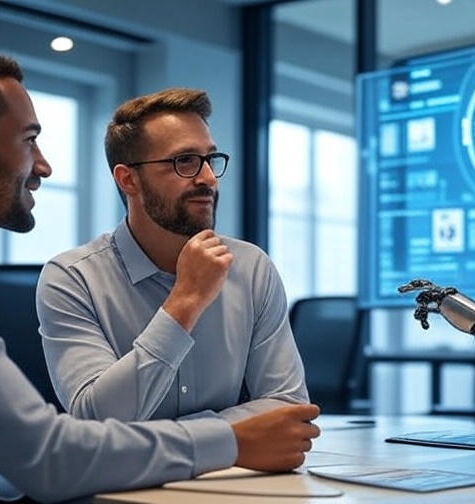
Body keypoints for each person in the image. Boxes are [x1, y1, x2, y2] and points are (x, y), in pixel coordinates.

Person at [0, 43, 320, 504]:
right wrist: (233, 439)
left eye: (210, 159)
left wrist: (162, 435)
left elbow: (21, 455)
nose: (43, 165)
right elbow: (48, 455)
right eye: (28, 140)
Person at [36, 88, 309, 426]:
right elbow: (97, 420)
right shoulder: (71, 279)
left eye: (210, 159)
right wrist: (185, 301)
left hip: (214, 466)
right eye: (185, 161)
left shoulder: (251, 268)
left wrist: (160, 438)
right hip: (166, 468)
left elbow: (289, 407)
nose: (208, 178)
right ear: (128, 179)